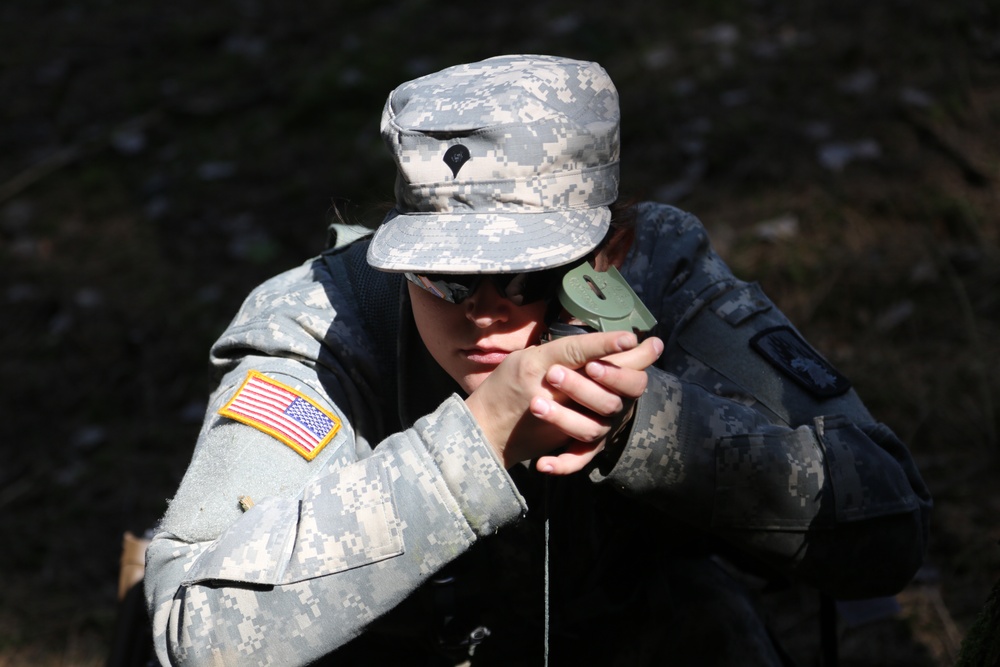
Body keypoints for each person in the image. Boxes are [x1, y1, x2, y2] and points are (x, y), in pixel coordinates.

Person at [144, 54, 931, 666]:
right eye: (442, 275)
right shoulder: (319, 326)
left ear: (608, 253)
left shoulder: (663, 273)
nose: (483, 311)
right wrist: (470, 449)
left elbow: (888, 523)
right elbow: (193, 630)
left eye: (527, 275)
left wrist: (647, 431)